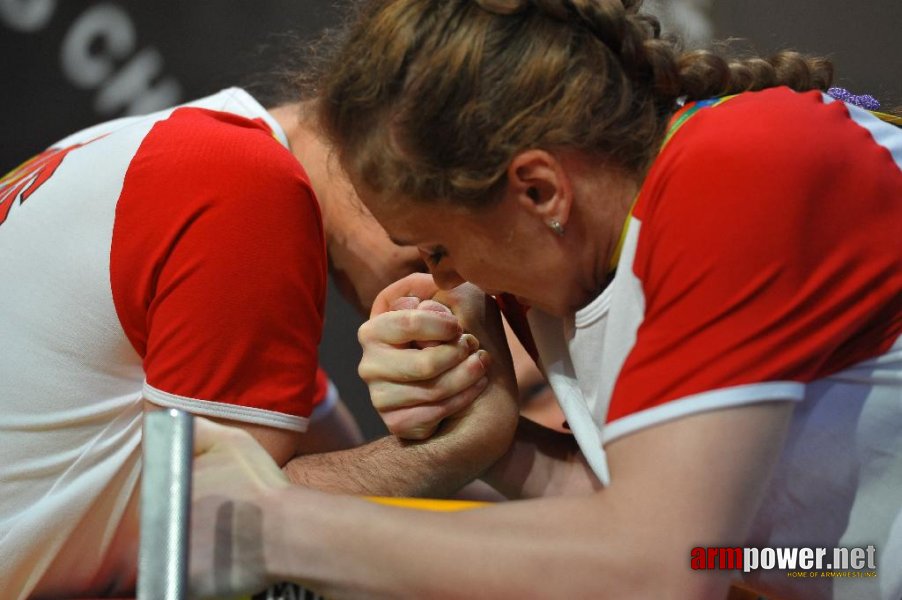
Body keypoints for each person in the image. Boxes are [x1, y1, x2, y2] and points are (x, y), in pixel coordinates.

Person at [188, 1, 902, 599]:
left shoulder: (741, 161)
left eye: (436, 250)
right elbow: (713, 549)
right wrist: (495, 445)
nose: (446, 283)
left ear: (537, 190)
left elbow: (652, 569)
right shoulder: (563, 283)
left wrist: (273, 527)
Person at [0, 78, 519, 597]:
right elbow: (197, 531)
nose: (453, 277)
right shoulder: (245, 184)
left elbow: (355, 466)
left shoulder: (137, 146)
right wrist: (450, 451)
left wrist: (465, 436)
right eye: (441, 244)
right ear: (388, 140)